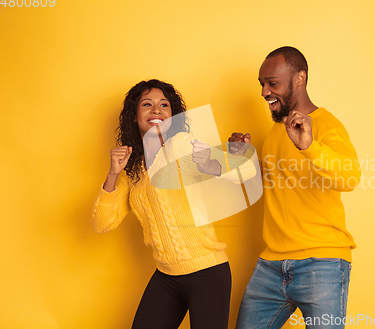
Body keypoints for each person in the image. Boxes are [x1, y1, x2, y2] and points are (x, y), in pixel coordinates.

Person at [91, 79, 253, 329]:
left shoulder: (180, 147)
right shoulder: (133, 170)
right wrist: (113, 174)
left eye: (164, 105)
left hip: (207, 272)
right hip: (167, 276)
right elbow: (102, 224)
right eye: (147, 104)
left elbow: (247, 171)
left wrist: (216, 162)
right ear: (134, 116)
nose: (156, 110)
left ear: (172, 116)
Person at [232, 47, 361, 329]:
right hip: (271, 265)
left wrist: (309, 146)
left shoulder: (327, 126)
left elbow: (350, 177)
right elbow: (269, 187)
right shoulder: (276, 133)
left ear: (299, 78)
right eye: (262, 84)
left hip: (322, 262)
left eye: (272, 83)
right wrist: (240, 157)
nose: (264, 91)